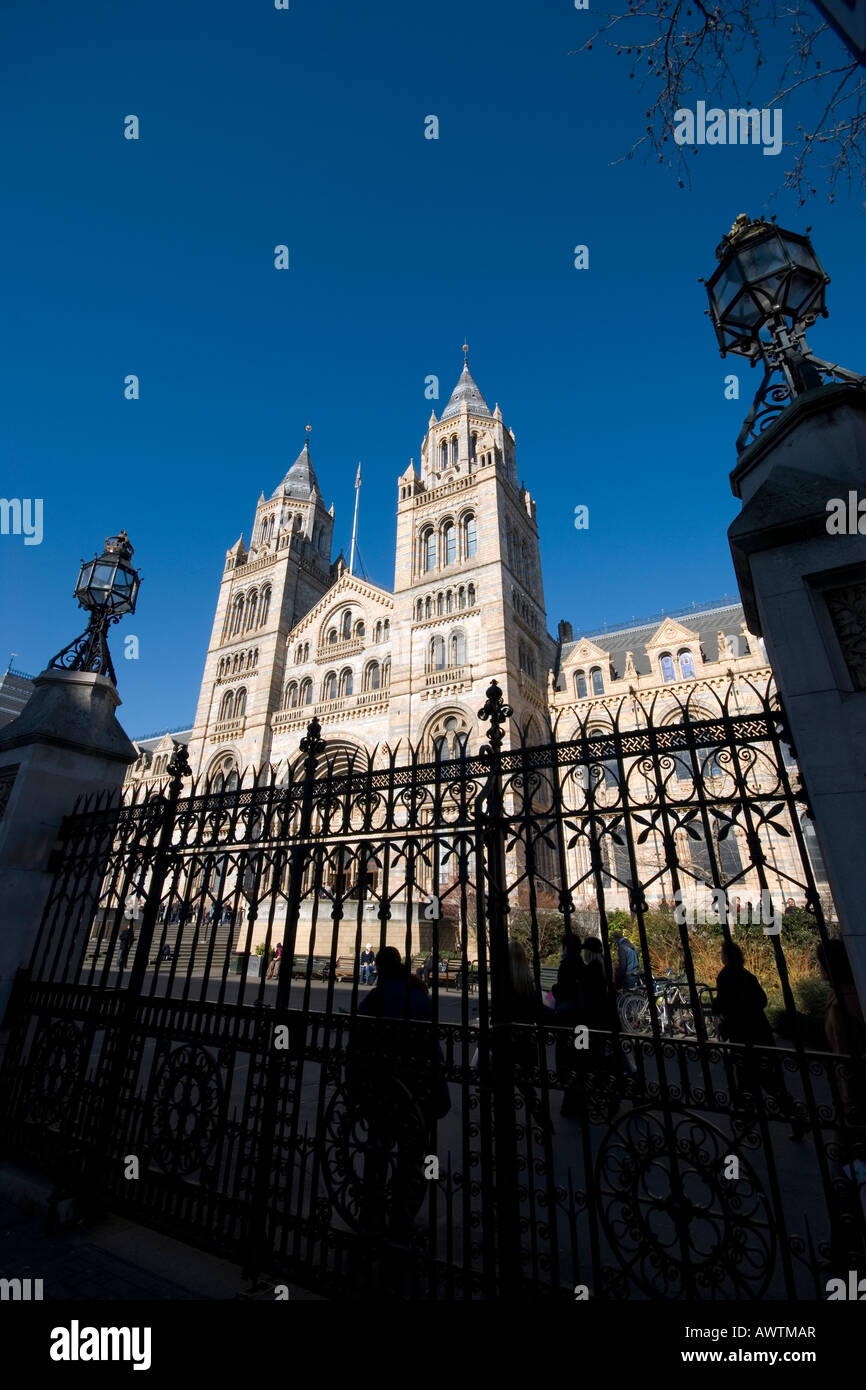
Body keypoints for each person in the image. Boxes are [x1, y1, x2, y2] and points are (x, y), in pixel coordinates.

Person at [713, 941, 805, 1138]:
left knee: (749, 1079)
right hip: (760, 1032)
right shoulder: (747, 975)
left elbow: (722, 1004)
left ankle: (747, 1118)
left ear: (726, 955)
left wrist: (716, 1006)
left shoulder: (725, 976)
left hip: (741, 1033)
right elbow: (763, 1000)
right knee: (768, 1080)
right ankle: (793, 1117)